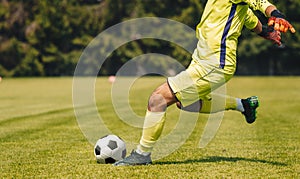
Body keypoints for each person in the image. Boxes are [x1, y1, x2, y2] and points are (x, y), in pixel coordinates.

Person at [114, 0, 295, 166]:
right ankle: (244, 105)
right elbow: (248, 17)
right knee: (187, 104)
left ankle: (142, 154)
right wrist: (265, 32)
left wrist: (276, 14)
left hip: (214, 64)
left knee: (158, 99)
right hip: (204, 63)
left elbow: (259, 2)